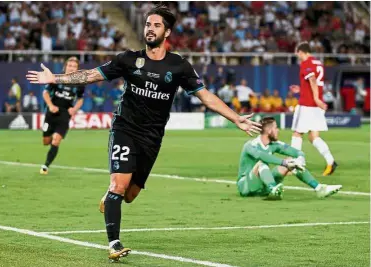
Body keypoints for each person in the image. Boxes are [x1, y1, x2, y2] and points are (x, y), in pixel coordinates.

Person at [26, 5, 261, 262]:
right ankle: (114, 243)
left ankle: (112, 195)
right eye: (148, 24)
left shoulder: (179, 65)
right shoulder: (128, 59)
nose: (150, 29)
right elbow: (92, 75)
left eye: (156, 25)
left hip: (152, 137)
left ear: (167, 32)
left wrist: (236, 118)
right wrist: (55, 78)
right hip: (125, 128)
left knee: (130, 195)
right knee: (118, 185)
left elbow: (206, 97)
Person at [237, 117, 342, 199]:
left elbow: (296, 151)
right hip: (246, 186)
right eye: (276, 128)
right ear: (269, 131)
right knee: (261, 163)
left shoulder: (274, 144)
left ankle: (319, 189)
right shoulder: (251, 145)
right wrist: (283, 162)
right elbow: (262, 156)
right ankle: (273, 189)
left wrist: (299, 159)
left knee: (291, 161)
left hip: (261, 187)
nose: (278, 130)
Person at [289, 42, 337, 176]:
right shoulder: (318, 63)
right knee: (313, 136)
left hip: (307, 105)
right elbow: (312, 83)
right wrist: (301, 89)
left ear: (301, 52)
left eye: (297, 52)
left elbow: (313, 80)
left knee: (297, 134)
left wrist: (315, 98)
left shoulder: (306, 63)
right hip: (316, 106)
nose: (297, 55)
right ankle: (330, 161)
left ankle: (296, 163)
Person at [38, 57, 85, 175]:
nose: (71, 68)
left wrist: (74, 109)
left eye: (74, 66)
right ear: (65, 67)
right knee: (46, 141)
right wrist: (50, 105)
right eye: (70, 66)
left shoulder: (80, 83)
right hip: (51, 113)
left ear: (77, 69)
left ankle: (45, 166)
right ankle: (48, 139)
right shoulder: (56, 79)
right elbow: (45, 93)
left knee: (56, 140)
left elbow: (80, 99)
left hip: (65, 114)